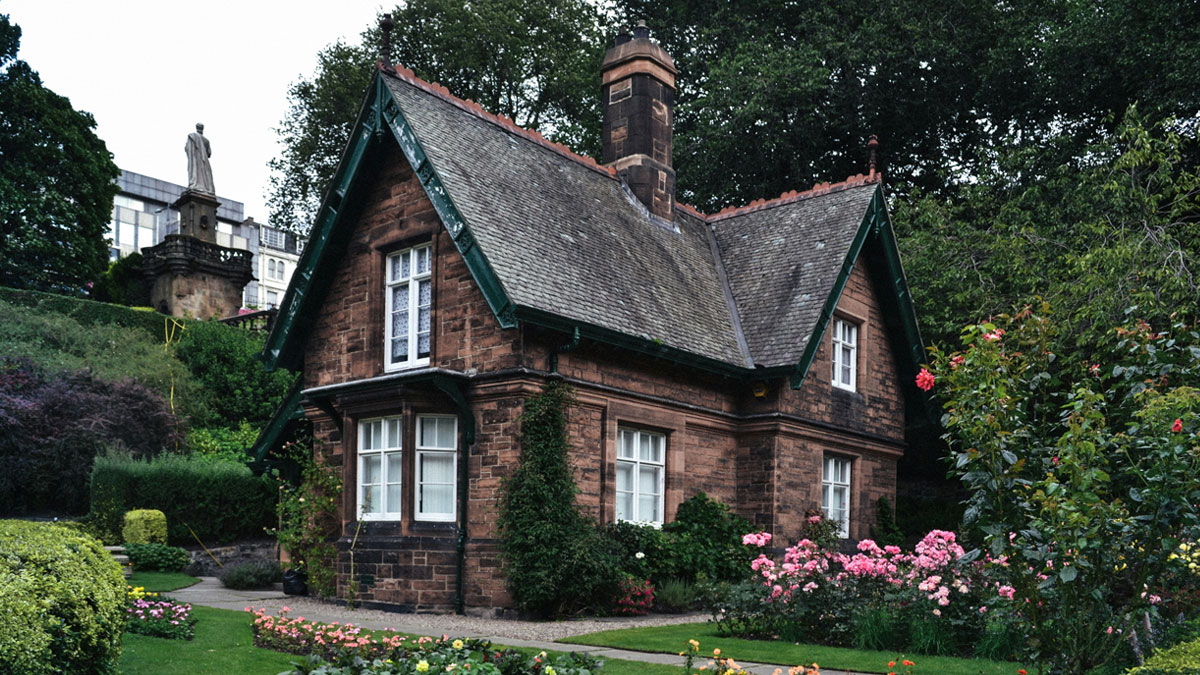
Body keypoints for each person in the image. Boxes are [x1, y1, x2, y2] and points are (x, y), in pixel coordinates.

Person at [185, 123, 215, 193]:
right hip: (204, 162)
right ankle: (204, 187)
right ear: (202, 129)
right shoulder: (206, 141)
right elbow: (209, 153)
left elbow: (187, 148)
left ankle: (196, 184)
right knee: (205, 176)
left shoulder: (192, 136)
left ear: (196, 128)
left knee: (195, 171)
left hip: (195, 161)